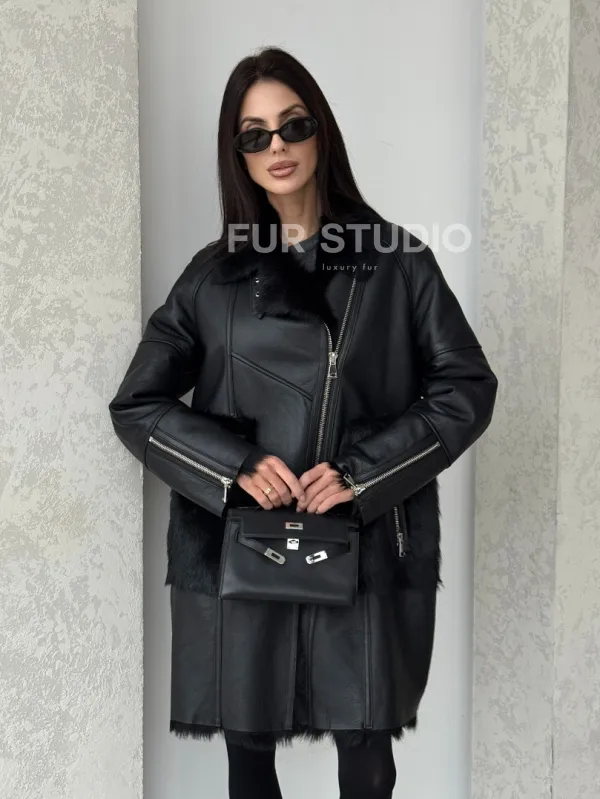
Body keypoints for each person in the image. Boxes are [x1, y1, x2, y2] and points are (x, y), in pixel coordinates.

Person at [108, 45, 498, 799]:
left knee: (367, 757)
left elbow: (466, 387)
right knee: (250, 761)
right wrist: (234, 464)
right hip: (240, 546)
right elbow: (137, 405)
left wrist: (362, 473)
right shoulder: (211, 277)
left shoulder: (398, 263)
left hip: (364, 542)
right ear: (238, 156)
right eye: (254, 135)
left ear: (322, 132)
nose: (277, 147)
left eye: (293, 125)